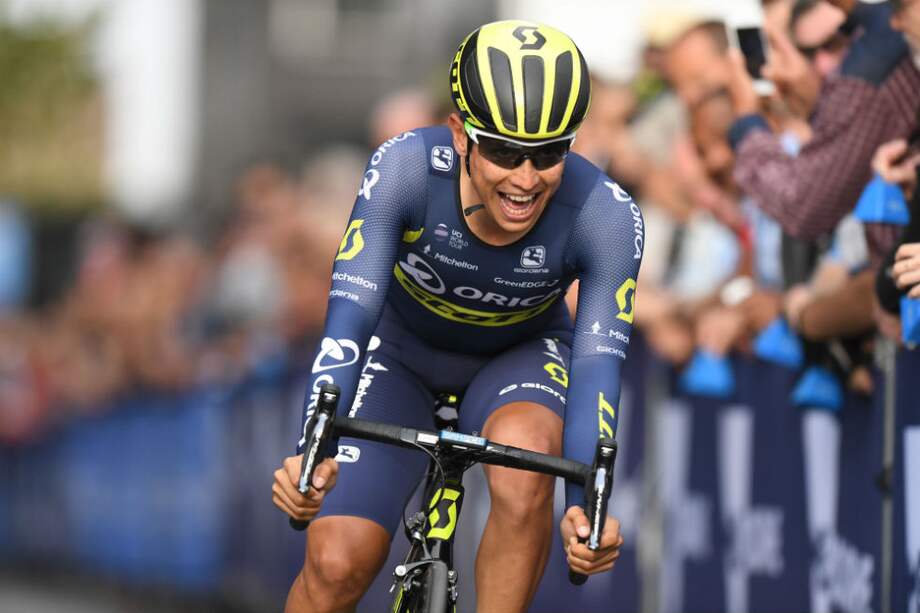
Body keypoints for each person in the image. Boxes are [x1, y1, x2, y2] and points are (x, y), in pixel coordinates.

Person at [272, 20, 639, 613]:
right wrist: (312, 453)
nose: (524, 179)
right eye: (502, 151)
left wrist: (585, 510)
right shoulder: (404, 168)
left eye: (548, 154)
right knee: (336, 566)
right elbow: (351, 315)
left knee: (525, 461)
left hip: (517, 359)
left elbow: (598, 368)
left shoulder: (606, 214)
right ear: (460, 135)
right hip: (398, 357)